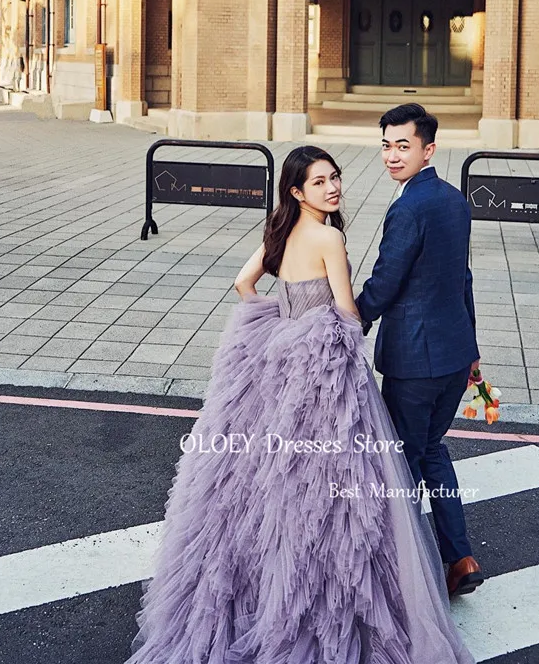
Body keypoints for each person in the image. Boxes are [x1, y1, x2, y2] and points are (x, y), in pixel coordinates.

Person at [126, 145, 474, 664]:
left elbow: (244, 284)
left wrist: (283, 324)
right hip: (323, 374)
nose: (333, 188)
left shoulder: (279, 230)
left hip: (277, 364)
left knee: (258, 480)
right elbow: (348, 313)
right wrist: (334, 329)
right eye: (319, 182)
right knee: (333, 487)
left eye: (334, 178)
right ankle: (330, 598)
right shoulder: (330, 237)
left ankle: (254, 591)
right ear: (296, 190)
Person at [355, 103, 484, 597]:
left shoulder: (408, 207)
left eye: (402, 146)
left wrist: (353, 319)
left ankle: (406, 572)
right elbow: (462, 279)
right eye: (386, 145)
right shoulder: (453, 201)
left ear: (428, 149)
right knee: (431, 450)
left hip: (415, 361)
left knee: (403, 462)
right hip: (453, 355)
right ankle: (460, 556)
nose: (391, 155)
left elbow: (387, 281)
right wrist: (471, 346)